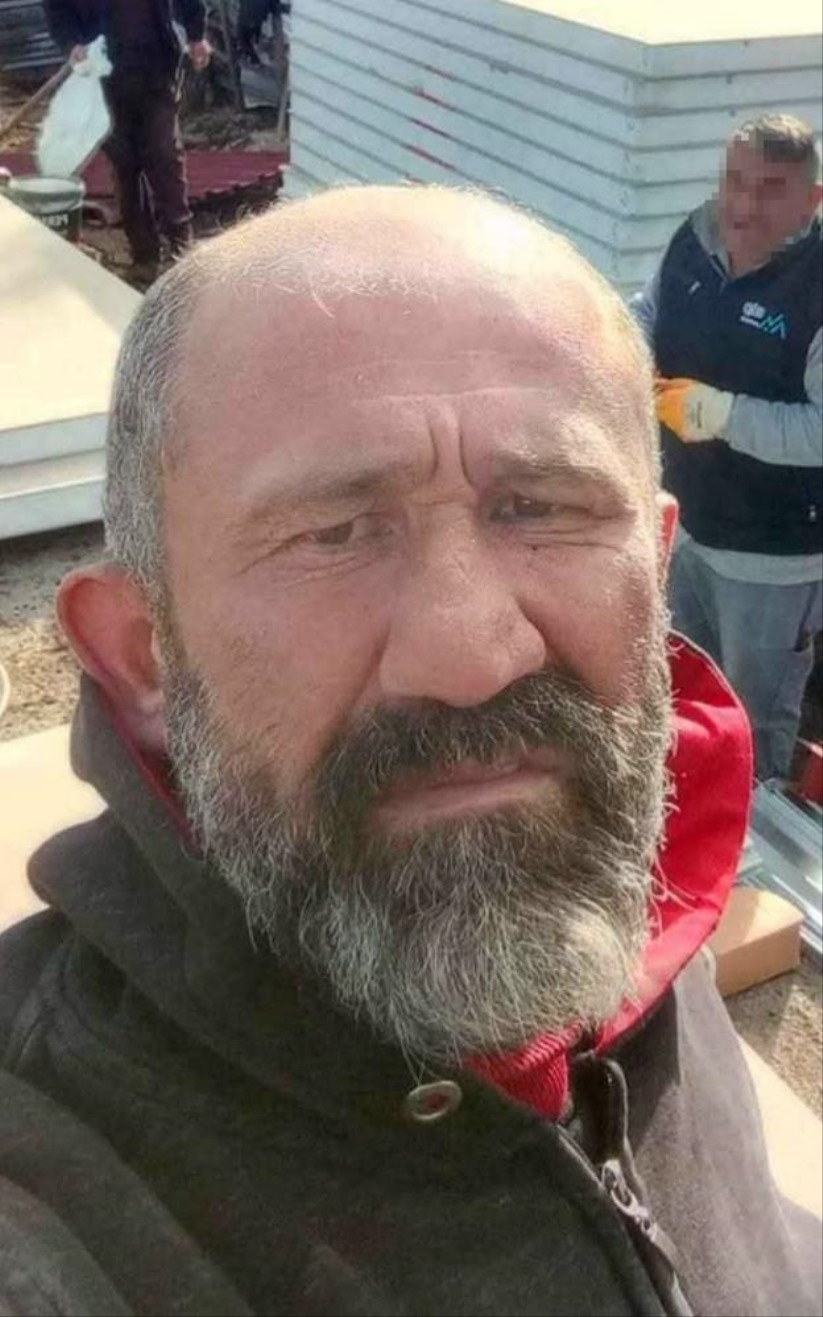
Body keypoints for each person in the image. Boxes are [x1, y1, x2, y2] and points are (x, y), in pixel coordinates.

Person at [0, 186, 820, 1317]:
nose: (473, 653)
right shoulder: (53, 1192)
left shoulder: (631, 887)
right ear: (145, 652)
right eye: (335, 533)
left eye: (543, 508)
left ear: (654, 571)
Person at [633, 114, 822, 782]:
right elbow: (650, 310)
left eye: (771, 189)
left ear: (812, 200)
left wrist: (718, 415)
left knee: (751, 718)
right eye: (735, 180)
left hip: (769, 562)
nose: (744, 204)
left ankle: (751, 827)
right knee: (680, 684)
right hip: (686, 528)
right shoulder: (695, 236)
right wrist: (623, 347)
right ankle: (688, 803)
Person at [44, 0, 211, 286]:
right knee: (124, 164)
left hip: (156, 64)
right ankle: (144, 256)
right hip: (102, 74)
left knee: (164, 153)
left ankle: (180, 246)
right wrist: (71, 43)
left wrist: (196, 36)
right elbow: (56, 8)